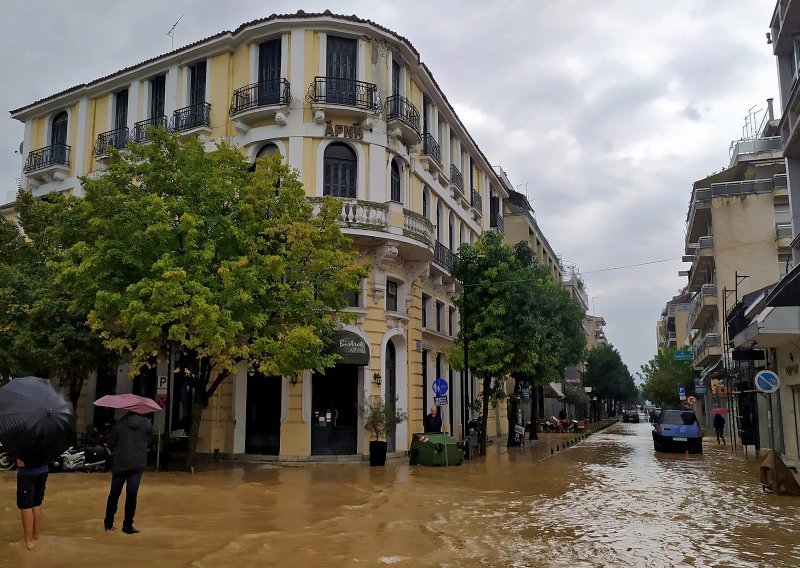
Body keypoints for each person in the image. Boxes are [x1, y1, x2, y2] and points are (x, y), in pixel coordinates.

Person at [104, 411, 152, 534]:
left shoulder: (119, 424)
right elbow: (150, 440)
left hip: (120, 464)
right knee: (132, 494)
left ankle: (108, 524)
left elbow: (110, 443)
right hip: (137, 465)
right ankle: (127, 525)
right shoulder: (147, 424)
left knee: (114, 494)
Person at [17, 458, 49, 550]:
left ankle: (29, 541)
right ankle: (36, 535)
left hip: (26, 472)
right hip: (43, 469)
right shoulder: (44, 442)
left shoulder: (22, 442)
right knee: (36, 503)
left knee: (26, 506)